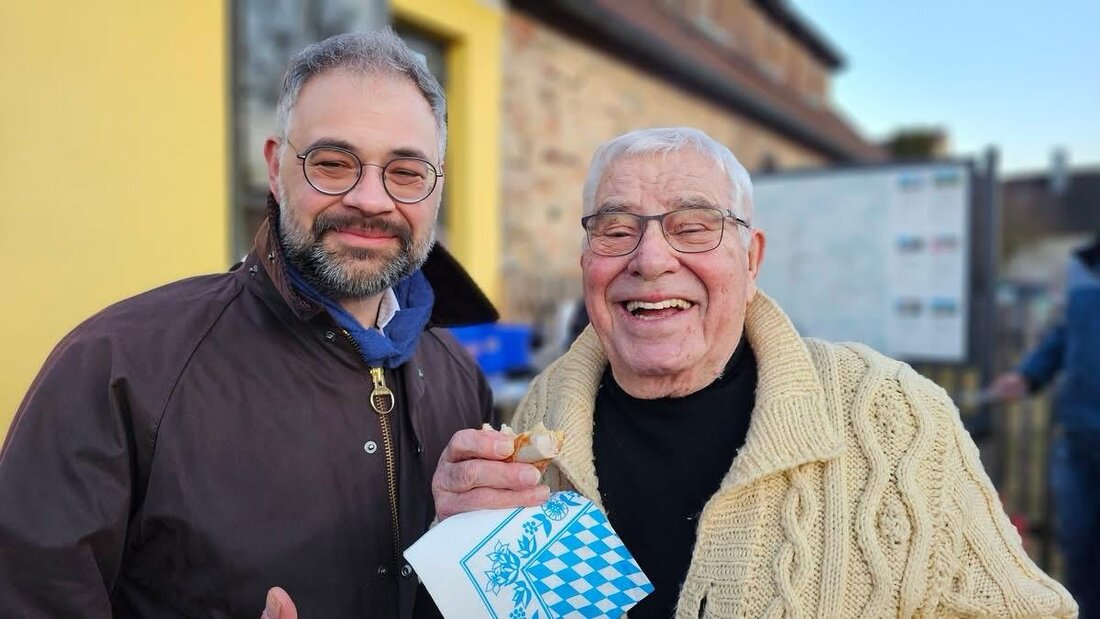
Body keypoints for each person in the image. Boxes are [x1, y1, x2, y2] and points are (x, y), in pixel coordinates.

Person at [431, 128, 1077, 618]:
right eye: (616, 229)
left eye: (693, 226)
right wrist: (459, 551)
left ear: (752, 257)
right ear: (586, 260)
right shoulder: (541, 418)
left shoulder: (895, 417)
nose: (651, 258)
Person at [0, 30, 497, 618]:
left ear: (436, 188)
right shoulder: (117, 367)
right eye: (333, 164)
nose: (370, 198)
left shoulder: (462, 380)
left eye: (407, 172)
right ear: (274, 167)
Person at [988, 232, 1100, 618]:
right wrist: (1029, 375)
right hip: (1079, 438)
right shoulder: (1083, 266)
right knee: (1079, 547)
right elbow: (1065, 334)